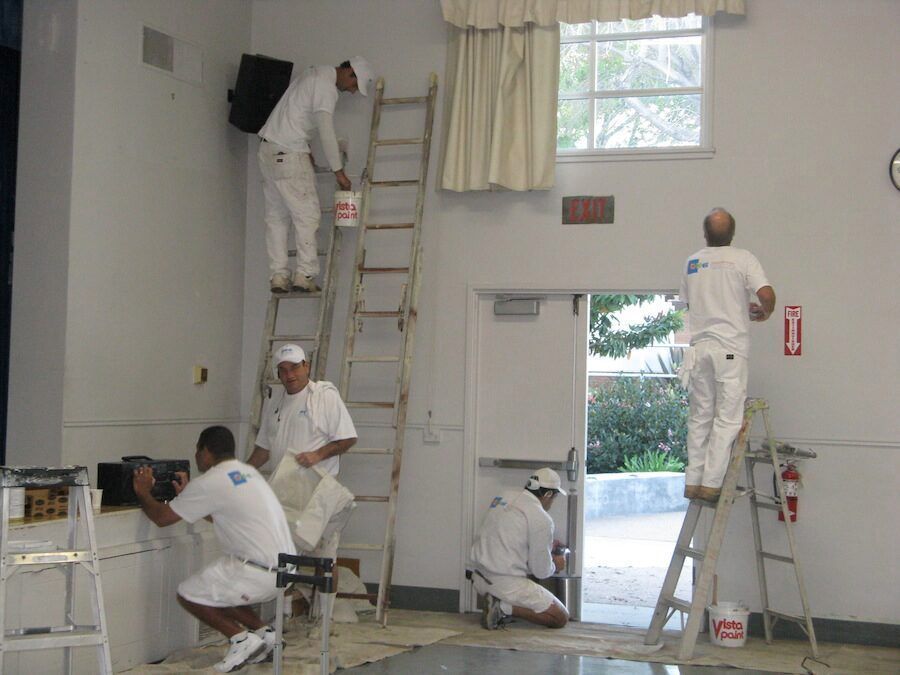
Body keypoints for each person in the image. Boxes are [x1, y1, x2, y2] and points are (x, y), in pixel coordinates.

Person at [132, 426, 295, 673]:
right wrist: (189, 497)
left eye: (198, 450)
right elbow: (222, 514)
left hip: (258, 571)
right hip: (286, 570)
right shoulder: (247, 472)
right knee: (219, 590)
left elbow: (162, 517)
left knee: (189, 594)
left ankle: (241, 639)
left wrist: (142, 491)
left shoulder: (210, 481)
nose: (196, 457)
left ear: (206, 451)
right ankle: (266, 634)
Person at [679, 207, 776, 503]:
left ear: (705, 234)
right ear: (732, 234)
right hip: (730, 350)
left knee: (700, 416)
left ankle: (693, 480)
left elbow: (689, 304)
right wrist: (765, 312)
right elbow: (767, 295)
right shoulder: (743, 259)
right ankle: (711, 483)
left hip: (699, 351)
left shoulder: (692, 262)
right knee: (727, 418)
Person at [258, 57, 375, 294]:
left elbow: (294, 117)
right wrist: (339, 172)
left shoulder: (311, 73)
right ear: (349, 72)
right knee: (307, 215)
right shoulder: (326, 88)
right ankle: (305, 275)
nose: (351, 92)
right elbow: (326, 130)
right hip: (290, 154)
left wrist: (307, 149)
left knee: (277, 218)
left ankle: (279, 276)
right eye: (354, 86)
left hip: (268, 151)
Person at [470, 468, 570, 630]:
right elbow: (541, 572)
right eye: (554, 497)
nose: (553, 502)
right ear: (548, 495)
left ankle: (497, 601)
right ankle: (501, 607)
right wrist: (555, 564)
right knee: (560, 618)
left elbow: (509, 536)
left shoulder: (503, 496)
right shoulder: (542, 519)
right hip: (505, 582)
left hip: (479, 577)